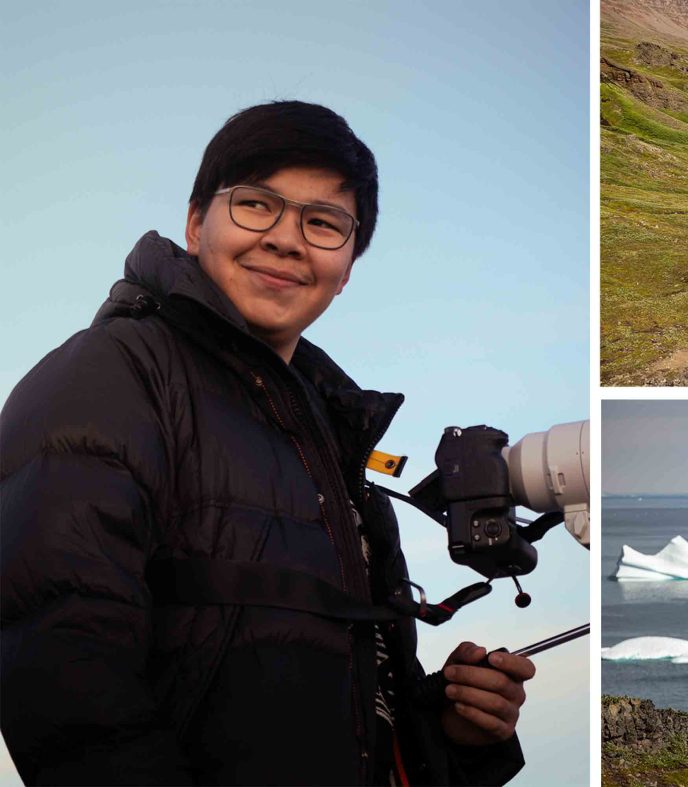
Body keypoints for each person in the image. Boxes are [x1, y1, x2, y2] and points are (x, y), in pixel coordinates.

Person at [0, 101, 533, 786]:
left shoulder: (331, 435)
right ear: (196, 224)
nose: (287, 239)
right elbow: (65, 671)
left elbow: (345, 712)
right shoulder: (115, 371)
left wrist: (450, 731)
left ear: (347, 267)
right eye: (257, 204)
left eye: (323, 223)